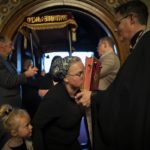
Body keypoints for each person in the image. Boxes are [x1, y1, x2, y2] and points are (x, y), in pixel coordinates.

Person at [75, 1, 150, 150]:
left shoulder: (144, 46)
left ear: (132, 19)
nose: (116, 29)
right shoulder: (141, 46)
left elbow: (125, 96)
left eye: (118, 23)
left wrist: (94, 97)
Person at [33, 56, 85, 150]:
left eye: (84, 72)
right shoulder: (54, 98)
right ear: (65, 78)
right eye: (79, 74)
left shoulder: (80, 92)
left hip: (72, 142)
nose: (83, 76)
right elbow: (37, 127)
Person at [0, 33, 38, 107]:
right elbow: (8, 81)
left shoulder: (7, 61)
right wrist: (26, 74)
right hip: (6, 105)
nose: (13, 48)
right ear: (1, 47)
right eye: (10, 45)